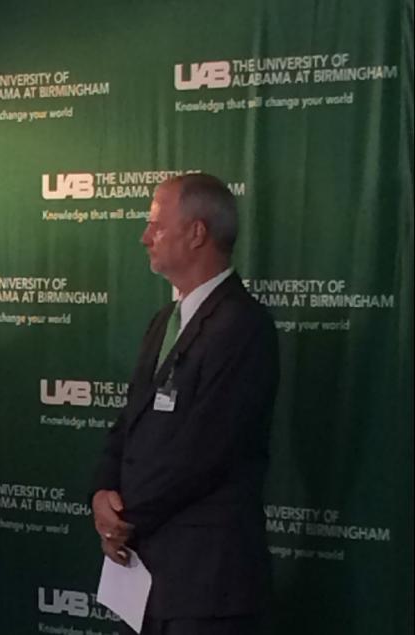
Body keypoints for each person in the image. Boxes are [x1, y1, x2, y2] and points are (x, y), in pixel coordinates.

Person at [92, 173, 279, 634]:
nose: (144, 236)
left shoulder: (244, 326)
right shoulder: (164, 321)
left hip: (208, 586)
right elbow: (130, 422)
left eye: (156, 224)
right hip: (149, 579)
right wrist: (100, 493)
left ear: (197, 233)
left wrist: (124, 518)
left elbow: (203, 450)